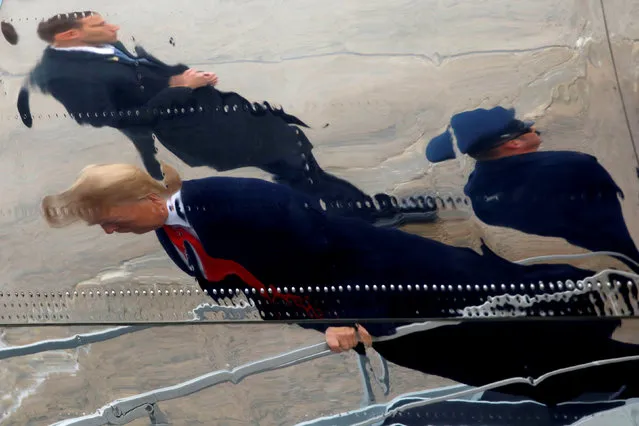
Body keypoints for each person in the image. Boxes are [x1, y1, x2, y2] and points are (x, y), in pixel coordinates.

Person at [40, 161, 639, 404]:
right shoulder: (172, 233)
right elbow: (243, 280)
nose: (110, 234)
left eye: (111, 221)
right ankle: (565, 393)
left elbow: (329, 251)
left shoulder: (234, 198)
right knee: (472, 361)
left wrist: (354, 320)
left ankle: (615, 374)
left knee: (521, 332)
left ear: (147, 197)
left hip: (404, 287)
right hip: (366, 320)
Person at [19, 11, 436, 227]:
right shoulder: (63, 75)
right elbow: (114, 118)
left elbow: (151, 81)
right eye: (99, 24)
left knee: (297, 165)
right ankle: (364, 218)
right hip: (207, 136)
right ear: (69, 37)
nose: (111, 26)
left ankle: (355, 215)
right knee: (295, 166)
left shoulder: (100, 54)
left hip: (220, 121)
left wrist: (188, 79)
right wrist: (179, 87)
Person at [426, 106, 639, 271]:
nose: (534, 127)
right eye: (526, 127)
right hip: (623, 262)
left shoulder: (477, 191)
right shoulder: (572, 167)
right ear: (514, 143)